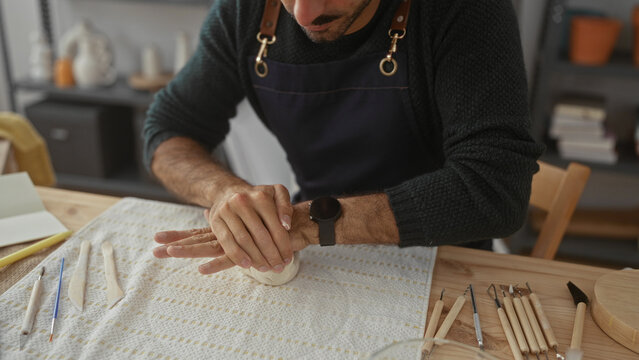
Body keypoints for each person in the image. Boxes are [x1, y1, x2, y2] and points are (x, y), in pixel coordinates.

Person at [146, 0, 544, 275]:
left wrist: (313, 223)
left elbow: (496, 190)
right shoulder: (246, 11)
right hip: (317, 258)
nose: (303, 14)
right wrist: (223, 191)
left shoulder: (464, 10)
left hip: (444, 255)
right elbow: (168, 128)